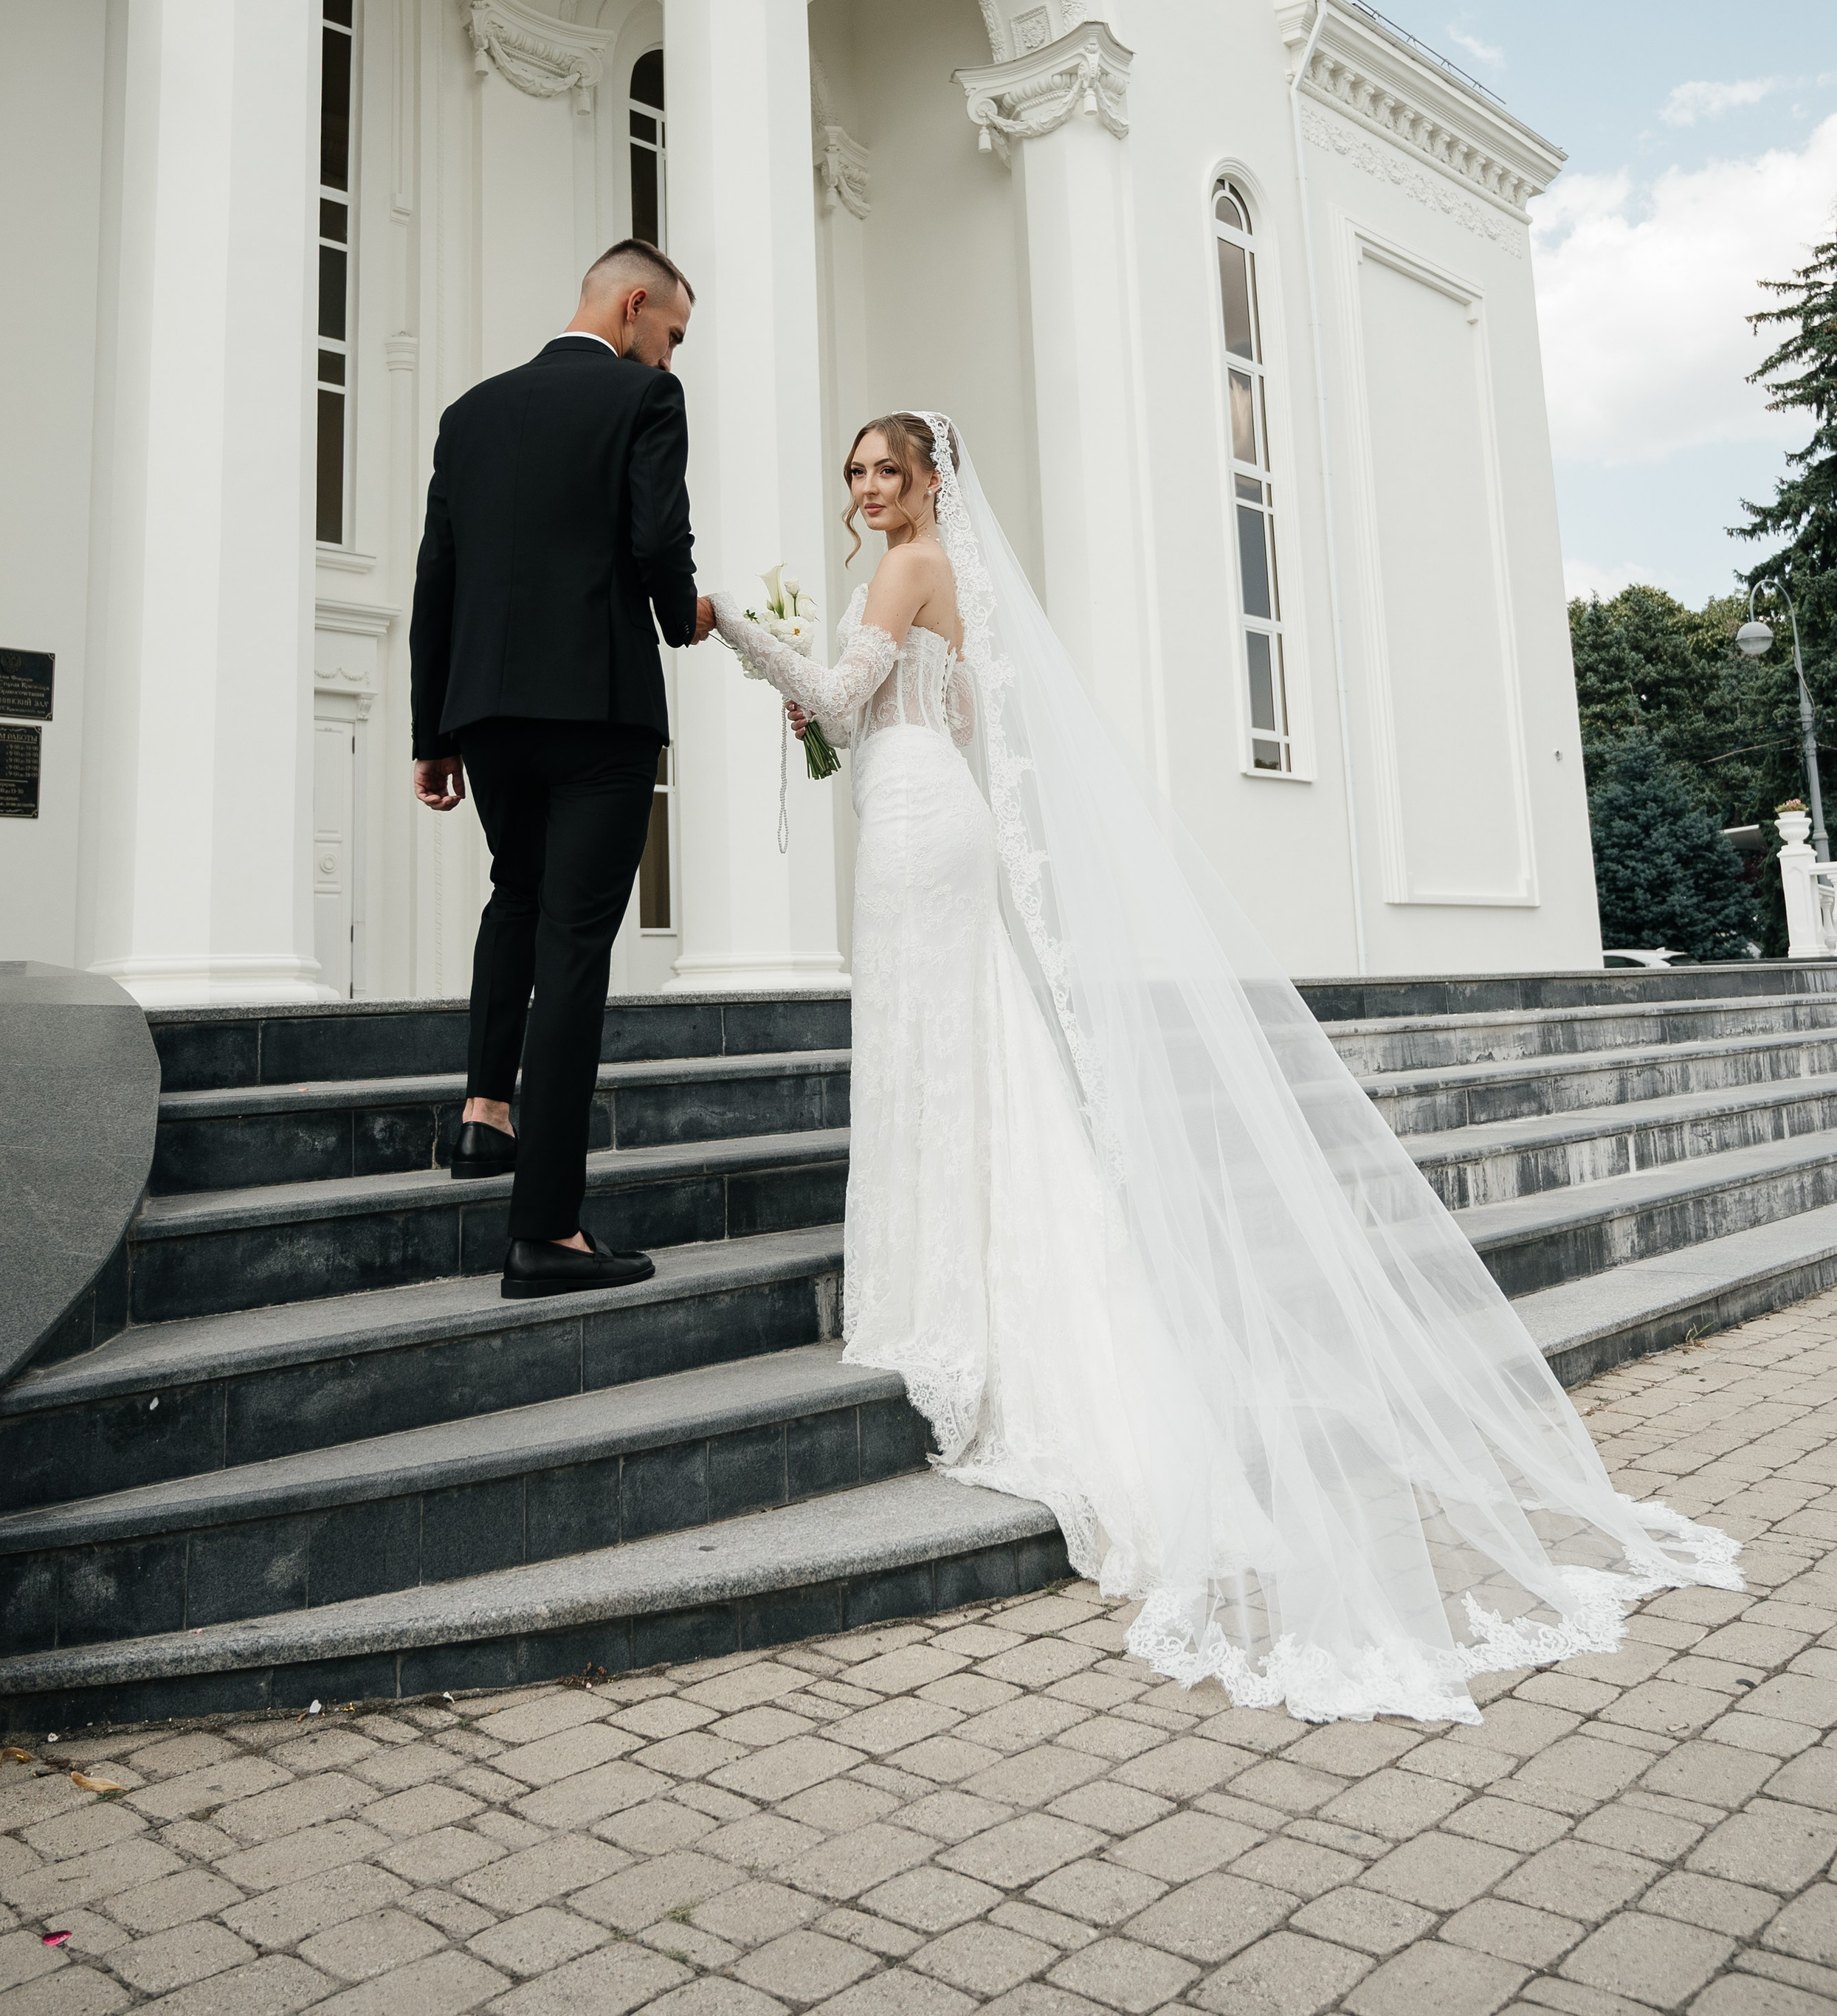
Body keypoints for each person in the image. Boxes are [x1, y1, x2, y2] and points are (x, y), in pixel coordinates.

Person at [709, 412, 1744, 1723]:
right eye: (855, 473)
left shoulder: (907, 570)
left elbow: (845, 703)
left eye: (885, 472)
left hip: (917, 828)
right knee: (958, 1060)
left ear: (927, 484)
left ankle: (939, 1303)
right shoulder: (952, 580)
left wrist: (741, 632)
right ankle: (947, 1282)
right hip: (936, 814)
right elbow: (934, 713)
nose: (866, 490)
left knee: (935, 1058)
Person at [410, 238, 714, 1299]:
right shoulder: (645, 401)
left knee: (517, 893)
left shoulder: (470, 414)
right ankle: (546, 1232)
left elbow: (436, 580)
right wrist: (688, 620)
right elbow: (654, 538)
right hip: (598, 710)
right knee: (577, 945)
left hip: (487, 712)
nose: (671, 358)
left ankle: (483, 1115)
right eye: (672, 335)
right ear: (635, 306)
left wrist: (432, 733)